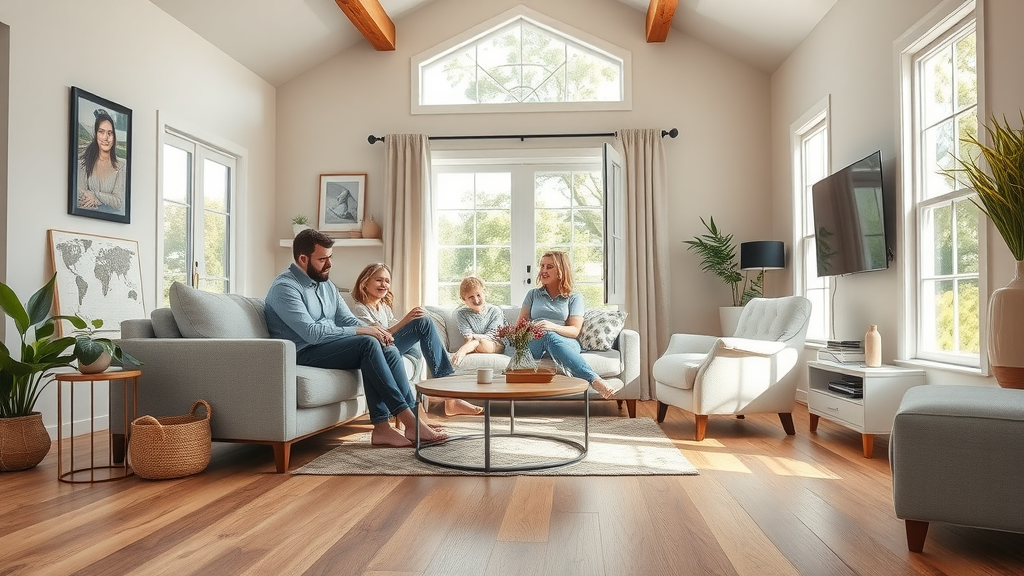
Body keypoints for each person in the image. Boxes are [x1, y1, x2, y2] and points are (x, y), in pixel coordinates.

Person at [264, 229, 445, 447]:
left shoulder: (326, 285)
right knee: (367, 343)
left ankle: (385, 428)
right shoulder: (285, 288)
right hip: (303, 351)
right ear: (303, 259)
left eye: (330, 257)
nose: (329, 264)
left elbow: (348, 320)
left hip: (329, 345)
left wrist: (375, 330)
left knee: (383, 345)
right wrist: (363, 331)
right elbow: (311, 333)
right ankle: (409, 422)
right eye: (322, 259)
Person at [350, 263, 482, 416]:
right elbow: (380, 335)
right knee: (423, 322)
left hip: (390, 345)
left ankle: (441, 400)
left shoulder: (383, 306)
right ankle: (446, 397)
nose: (384, 285)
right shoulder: (360, 308)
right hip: (379, 349)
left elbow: (393, 328)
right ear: (365, 283)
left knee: (420, 338)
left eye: (387, 281)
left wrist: (408, 323)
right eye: (379, 280)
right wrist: (407, 319)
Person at [517, 250, 616, 399]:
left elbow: (575, 331)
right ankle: (594, 379)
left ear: (561, 270)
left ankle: (592, 378)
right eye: (542, 266)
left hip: (564, 341)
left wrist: (552, 327)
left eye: (549, 267)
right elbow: (519, 326)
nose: (543, 270)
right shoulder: (533, 294)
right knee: (546, 335)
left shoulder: (574, 297)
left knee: (550, 336)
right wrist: (533, 328)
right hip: (535, 340)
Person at [77, 109, 126, 213]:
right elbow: (81, 194)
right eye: (101, 132)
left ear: (114, 137)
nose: (105, 138)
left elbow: (118, 202)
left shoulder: (121, 166)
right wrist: (103, 199)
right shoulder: (84, 163)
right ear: (96, 135)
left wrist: (95, 196)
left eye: (110, 133)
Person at [451, 276, 506, 366]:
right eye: (471, 297)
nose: (476, 300)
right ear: (464, 299)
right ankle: (467, 349)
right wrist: (473, 340)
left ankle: (462, 351)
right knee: (476, 343)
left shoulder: (495, 310)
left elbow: (492, 335)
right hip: (473, 345)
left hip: (495, 344)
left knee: (479, 343)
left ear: (484, 292)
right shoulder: (461, 314)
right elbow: (467, 338)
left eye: (478, 295)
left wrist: (474, 338)